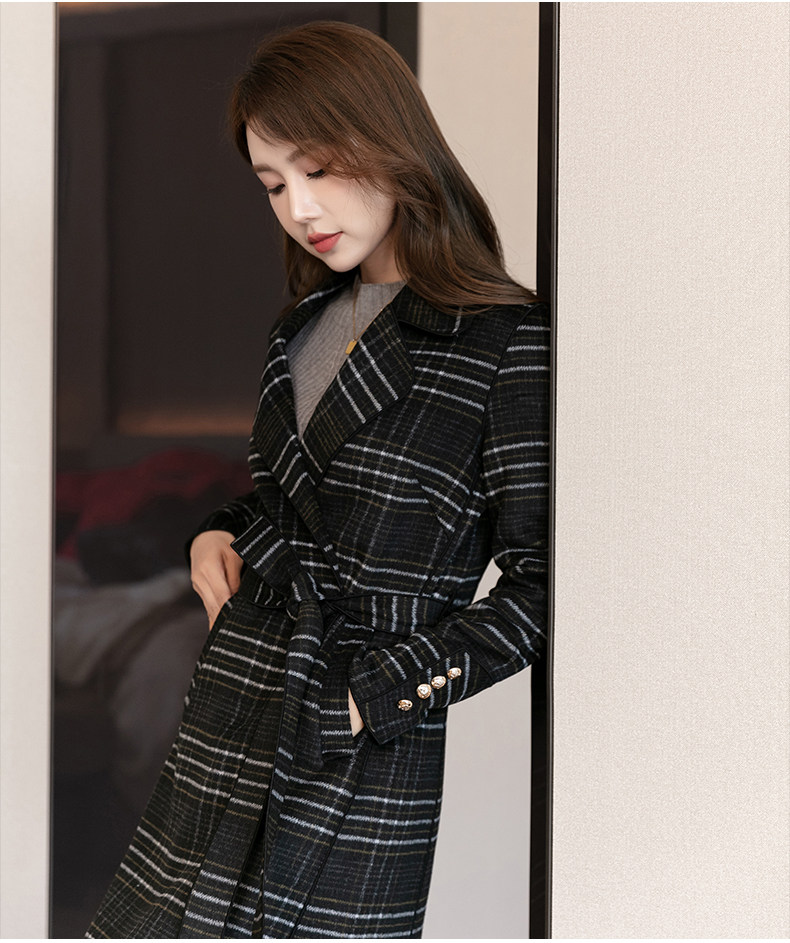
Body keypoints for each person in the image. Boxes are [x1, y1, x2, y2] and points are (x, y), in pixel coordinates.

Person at [87, 20, 549, 940]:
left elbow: (545, 591)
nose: (300, 207)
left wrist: (372, 698)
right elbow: (291, 504)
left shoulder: (504, 342)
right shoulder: (301, 326)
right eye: (273, 183)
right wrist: (216, 529)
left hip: (355, 750)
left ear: (392, 142)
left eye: (321, 169)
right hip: (233, 700)